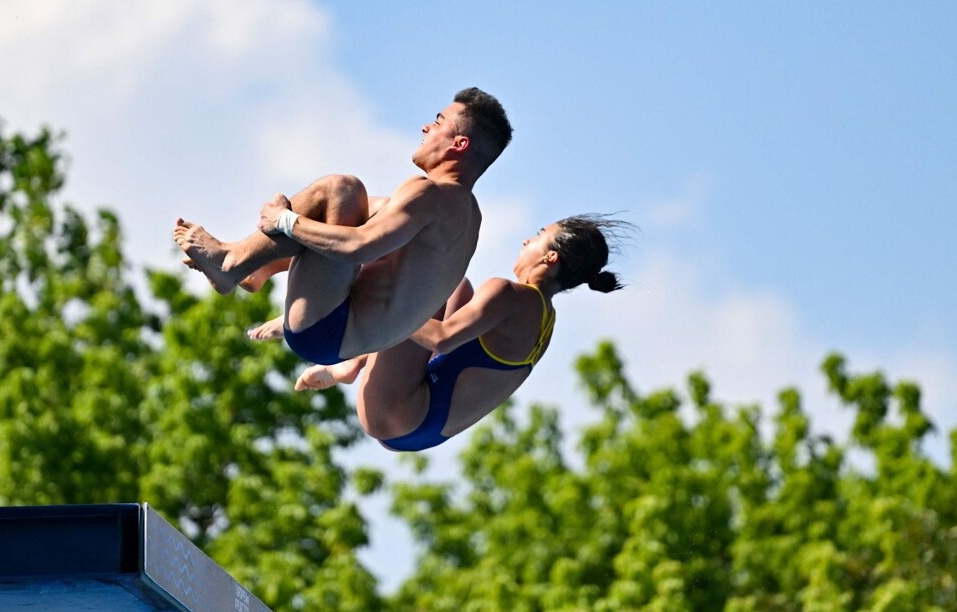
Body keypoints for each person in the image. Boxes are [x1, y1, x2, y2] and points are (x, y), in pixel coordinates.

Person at [173, 87, 512, 365]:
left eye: (438, 122)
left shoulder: (429, 194)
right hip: (342, 338)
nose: (426, 128)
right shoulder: (468, 215)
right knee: (355, 206)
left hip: (326, 329)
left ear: (459, 144)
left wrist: (284, 220)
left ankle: (233, 265)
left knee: (342, 188)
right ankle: (249, 266)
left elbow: (356, 247)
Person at [286, 215, 633, 451]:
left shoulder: (509, 294)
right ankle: (354, 364)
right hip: (421, 430)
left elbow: (441, 339)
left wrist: (373, 305)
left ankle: (347, 350)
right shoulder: (545, 318)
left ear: (550, 258)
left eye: (539, 236)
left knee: (418, 274)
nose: (527, 239)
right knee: (453, 284)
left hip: (393, 411)